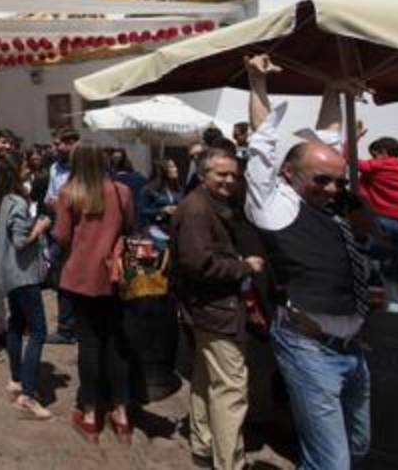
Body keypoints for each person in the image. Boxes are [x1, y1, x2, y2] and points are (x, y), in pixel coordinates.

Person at [243, 54, 372, 470]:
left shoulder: (330, 198)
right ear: (290, 175)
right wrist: (257, 83)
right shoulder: (275, 205)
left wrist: (333, 89)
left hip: (351, 347)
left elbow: (329, 140)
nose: (333, 188)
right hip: (309, 346)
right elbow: (262, 143)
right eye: (322, 180)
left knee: (358, 443)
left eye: (338, 180)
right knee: (332, 462)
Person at [172, 148, 265, 470]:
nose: (229, 180)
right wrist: (243, 267)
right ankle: (230, 463)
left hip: (207, 307)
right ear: (202, 175)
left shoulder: (209, 204)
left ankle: (204, 444)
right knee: (231, 388)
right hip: (215, 308)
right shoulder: (197, 209)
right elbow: (199, 263)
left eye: (234, 175)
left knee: (206, 378)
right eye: (221, 174)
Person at [53, 145, 135, 445]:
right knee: (115, 342)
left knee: (88, 343)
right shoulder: (121, 191)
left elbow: (61, 236)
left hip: (81, 276)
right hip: (114, 276)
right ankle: (121, 413)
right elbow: (129, 226)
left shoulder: (68, 193)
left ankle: (89, 414)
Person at [0, 152, 53, 420]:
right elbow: (19, 241)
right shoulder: (16, 202)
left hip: (11, 274)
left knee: (15, 324)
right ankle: (27, 395)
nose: (30, 168)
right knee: (38, 330)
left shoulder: (6, 200)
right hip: (23, 275)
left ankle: (16, 378)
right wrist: (40, 227)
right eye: (25, 165)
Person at [44, 128, 82, 345]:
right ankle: (66, 328)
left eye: (59, 144)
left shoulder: (83, 169)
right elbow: (50, 197)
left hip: (81, 233)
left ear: (72, 143)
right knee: (62, 280)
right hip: (60, 231)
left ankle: (81, 325)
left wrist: (64, 203)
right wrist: (55, 204)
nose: (55, 148)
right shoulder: (54, 169)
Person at [354, 131, 398, 239]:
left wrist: (354, 137)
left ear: (384, 153)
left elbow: (347, 157)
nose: (371, 159)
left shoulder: (376, 166)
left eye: (374, 155)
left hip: (380, 223)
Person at [140, 159, 183, 227]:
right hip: (156, 229)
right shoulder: (148, 189)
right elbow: (142, 211)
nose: (176, 169)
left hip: (175, 229)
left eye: (175, 166)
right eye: (172, 167)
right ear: (163, 171)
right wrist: (162, 210)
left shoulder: (177, 188)